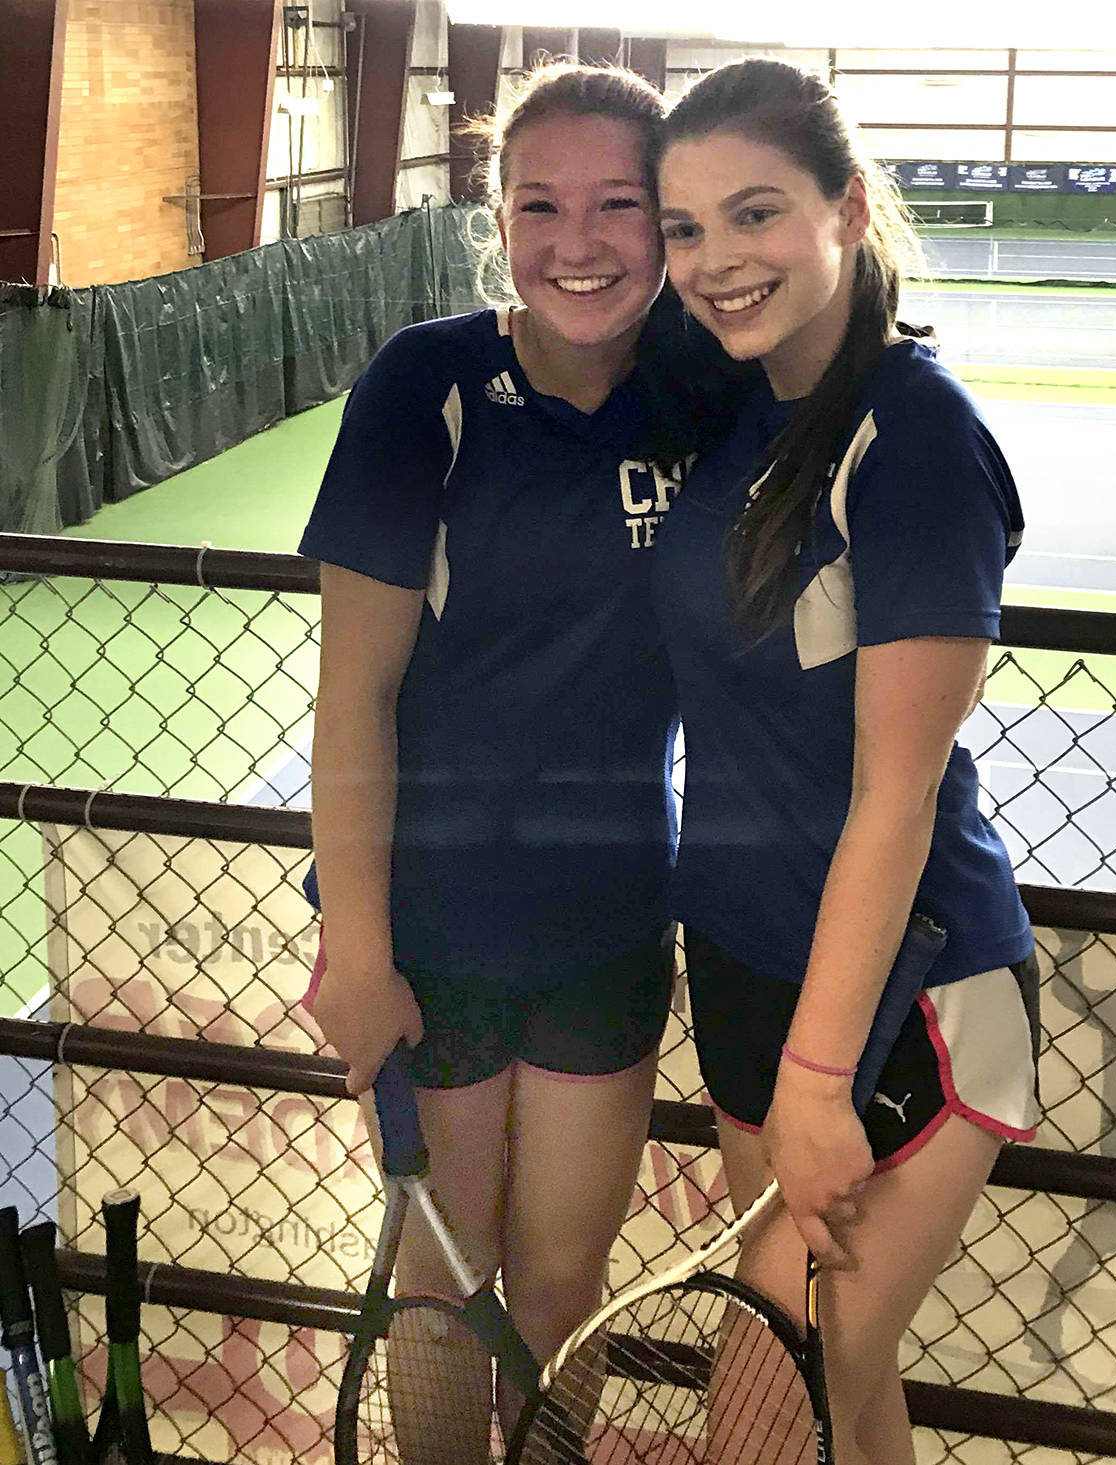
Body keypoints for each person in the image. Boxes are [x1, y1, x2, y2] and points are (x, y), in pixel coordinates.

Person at [298, 64, 728, 1459]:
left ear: (667, 224)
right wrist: (357, 951)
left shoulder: (701, 396)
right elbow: (351, 698)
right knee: (439, 1287)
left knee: (561, 1288)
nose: (580, 242)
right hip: (437, 932)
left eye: (619, 205)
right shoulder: (425, 386)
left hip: (609, 918)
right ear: (497, 217)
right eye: (540, 205)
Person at [653, 59, 1040, 1463]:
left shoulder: (917, 439)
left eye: (753, 215)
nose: (712, 261)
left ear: (846, 206)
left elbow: (895, 789)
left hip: (903, 1007)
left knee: (755, 1425)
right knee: (851, 1403)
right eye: (683, 228)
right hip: (753, 969)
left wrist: (820, 1080)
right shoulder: (738, 412)